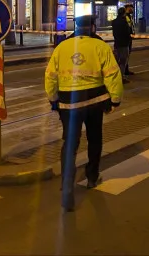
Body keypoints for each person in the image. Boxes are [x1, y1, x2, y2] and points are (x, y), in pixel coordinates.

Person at [45, 15, 124, 212]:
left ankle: (66, 185)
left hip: (68, 105)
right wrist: (115, 99)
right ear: (93, 28)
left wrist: (53, 99)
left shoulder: (61, 48)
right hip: (94, 103)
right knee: (94, 139)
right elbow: (113, 74)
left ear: (76, 28)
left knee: (70, 144)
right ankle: (91, 177)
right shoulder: (100, 47)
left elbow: (50, 77)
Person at [112, 7, 132, 84]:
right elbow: (127, 33)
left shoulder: (114, 22)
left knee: (116, 61)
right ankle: (121, 78)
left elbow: (114, 33)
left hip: (116, 44)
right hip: (124, 44)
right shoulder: (124, 22)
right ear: (124, 13)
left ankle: (114, 76)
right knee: (123, 62)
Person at [124, 4, 135, 75]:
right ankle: (124, 70)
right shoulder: (125, 17)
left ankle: (126, 69)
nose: (132, 9)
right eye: (131, 8)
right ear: (127, 8)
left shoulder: (130, 16)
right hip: (126, 38)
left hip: (129, 38)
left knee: (127, 54)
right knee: (125, 55)